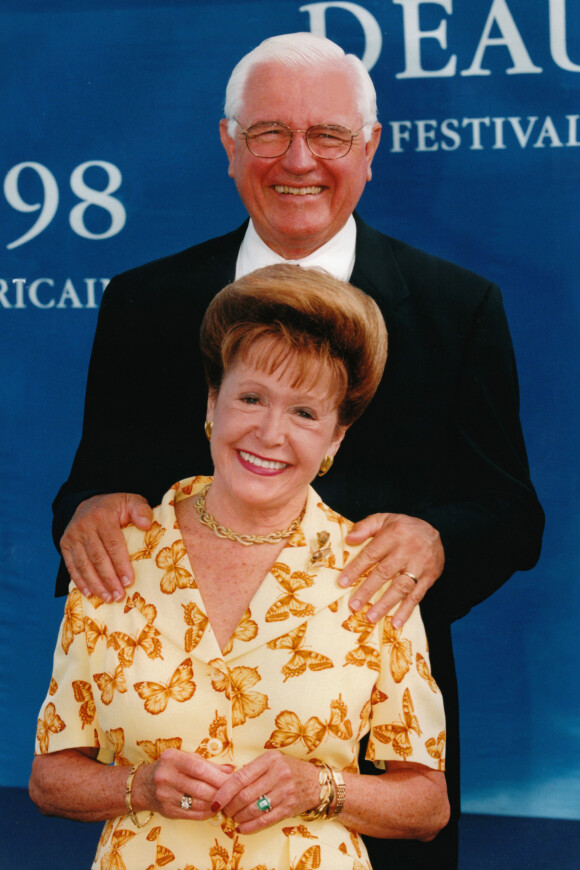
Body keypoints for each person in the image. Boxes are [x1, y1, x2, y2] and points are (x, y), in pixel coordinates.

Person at [50, 33, 544, 869]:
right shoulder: (144, 302)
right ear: (229, 145)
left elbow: (512, 512)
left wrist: (438, 538)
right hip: (176, 782)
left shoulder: (459, 307)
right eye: (270, 132)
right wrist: (87, 511)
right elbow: (95, 486)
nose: (298, 160)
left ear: (372, 149)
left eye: (329, 136)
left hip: (371, 760)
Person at [31, 264, 449, 870]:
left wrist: (321, 789)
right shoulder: (116, 551)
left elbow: (427, 806)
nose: (270, 432)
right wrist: (137, 786)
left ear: (336, 438)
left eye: (305, 413)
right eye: (251, 398)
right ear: (212, 402)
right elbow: (49, 778)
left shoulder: (376, 569)